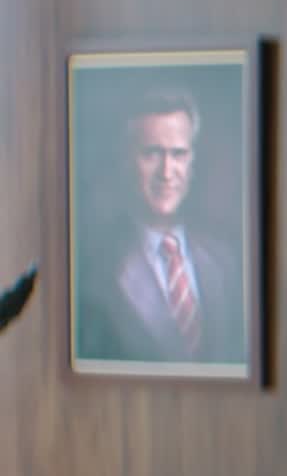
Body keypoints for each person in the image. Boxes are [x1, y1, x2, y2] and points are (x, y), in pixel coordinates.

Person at [74, 85, 245, 365]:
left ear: (192, 162)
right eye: (152, 154)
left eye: (178, 154)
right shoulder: (97, 272)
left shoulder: (225, 261)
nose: (166, 173)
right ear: (126, 160)